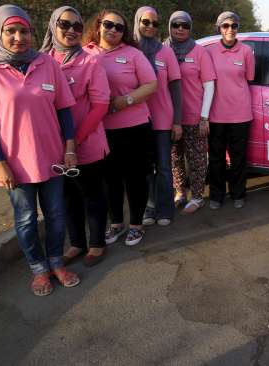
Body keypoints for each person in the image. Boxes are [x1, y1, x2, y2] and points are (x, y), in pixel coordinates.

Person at [0, 4, 80, 295]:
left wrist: (69, 148)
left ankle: (56, 261)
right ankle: (39, 269)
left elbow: (65, 111)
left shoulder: (48, 63)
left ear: (32, 32)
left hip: (53, 159)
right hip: (15, 163)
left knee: (56, 214)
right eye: (11, 31)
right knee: (26, 218)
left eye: (24, 31)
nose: (19, 37)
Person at [41, 6, 111, 267]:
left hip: (87, 142)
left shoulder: (90, 62)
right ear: (53, 26)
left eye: (78, 26)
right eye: (65, 24)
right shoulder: (42, 61)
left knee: (92, 194)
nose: (71, 31)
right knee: (68, 196)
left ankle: (96, 244)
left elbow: (101, 105)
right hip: (53, 146)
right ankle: (77, 243)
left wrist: (75, 141)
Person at [83, 9, 157, 246]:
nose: (113, 30)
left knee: (135, 178)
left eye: (119, 27)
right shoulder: (85, 53)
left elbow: (151, 84)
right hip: (100, 129)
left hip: (134, 127)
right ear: (98, 25)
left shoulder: (133, 54)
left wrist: (121, 102)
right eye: (108, 24)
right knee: (110, 179)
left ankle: (136, 225)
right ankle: (116, 223)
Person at [133, 6, 182, 227]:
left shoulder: (166, 52)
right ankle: (148, 208)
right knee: (144, 168)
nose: (150, 27)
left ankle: (165, 208)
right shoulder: (130, 50)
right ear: (137, 22)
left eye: (154, 23)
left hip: (162, 119)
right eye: (146, 22)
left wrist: (177, 121)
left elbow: (175, 88)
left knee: (163, 167)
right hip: (138, 121)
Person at [166, 11, 216, 214]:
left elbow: (209, 86)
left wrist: (204, 117)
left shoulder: (199, 52)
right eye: (176, 25)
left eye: (185, 25)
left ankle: (196, 196)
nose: (180, 29)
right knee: (175, 157)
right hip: (169, 118)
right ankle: (180, 192)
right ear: (169, 26)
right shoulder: (163, 50)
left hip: (194, 116)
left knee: (196, 159)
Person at [205, 11, 254, 210]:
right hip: (216, 114)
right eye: (226, 26)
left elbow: (249, 78)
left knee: (238, 157)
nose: (230, 30)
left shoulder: (246, 51)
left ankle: (238, 194)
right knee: (216, 158)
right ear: (219, 28)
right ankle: (216, 195)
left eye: (234, 26)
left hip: (241, 114)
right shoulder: (209, 52)